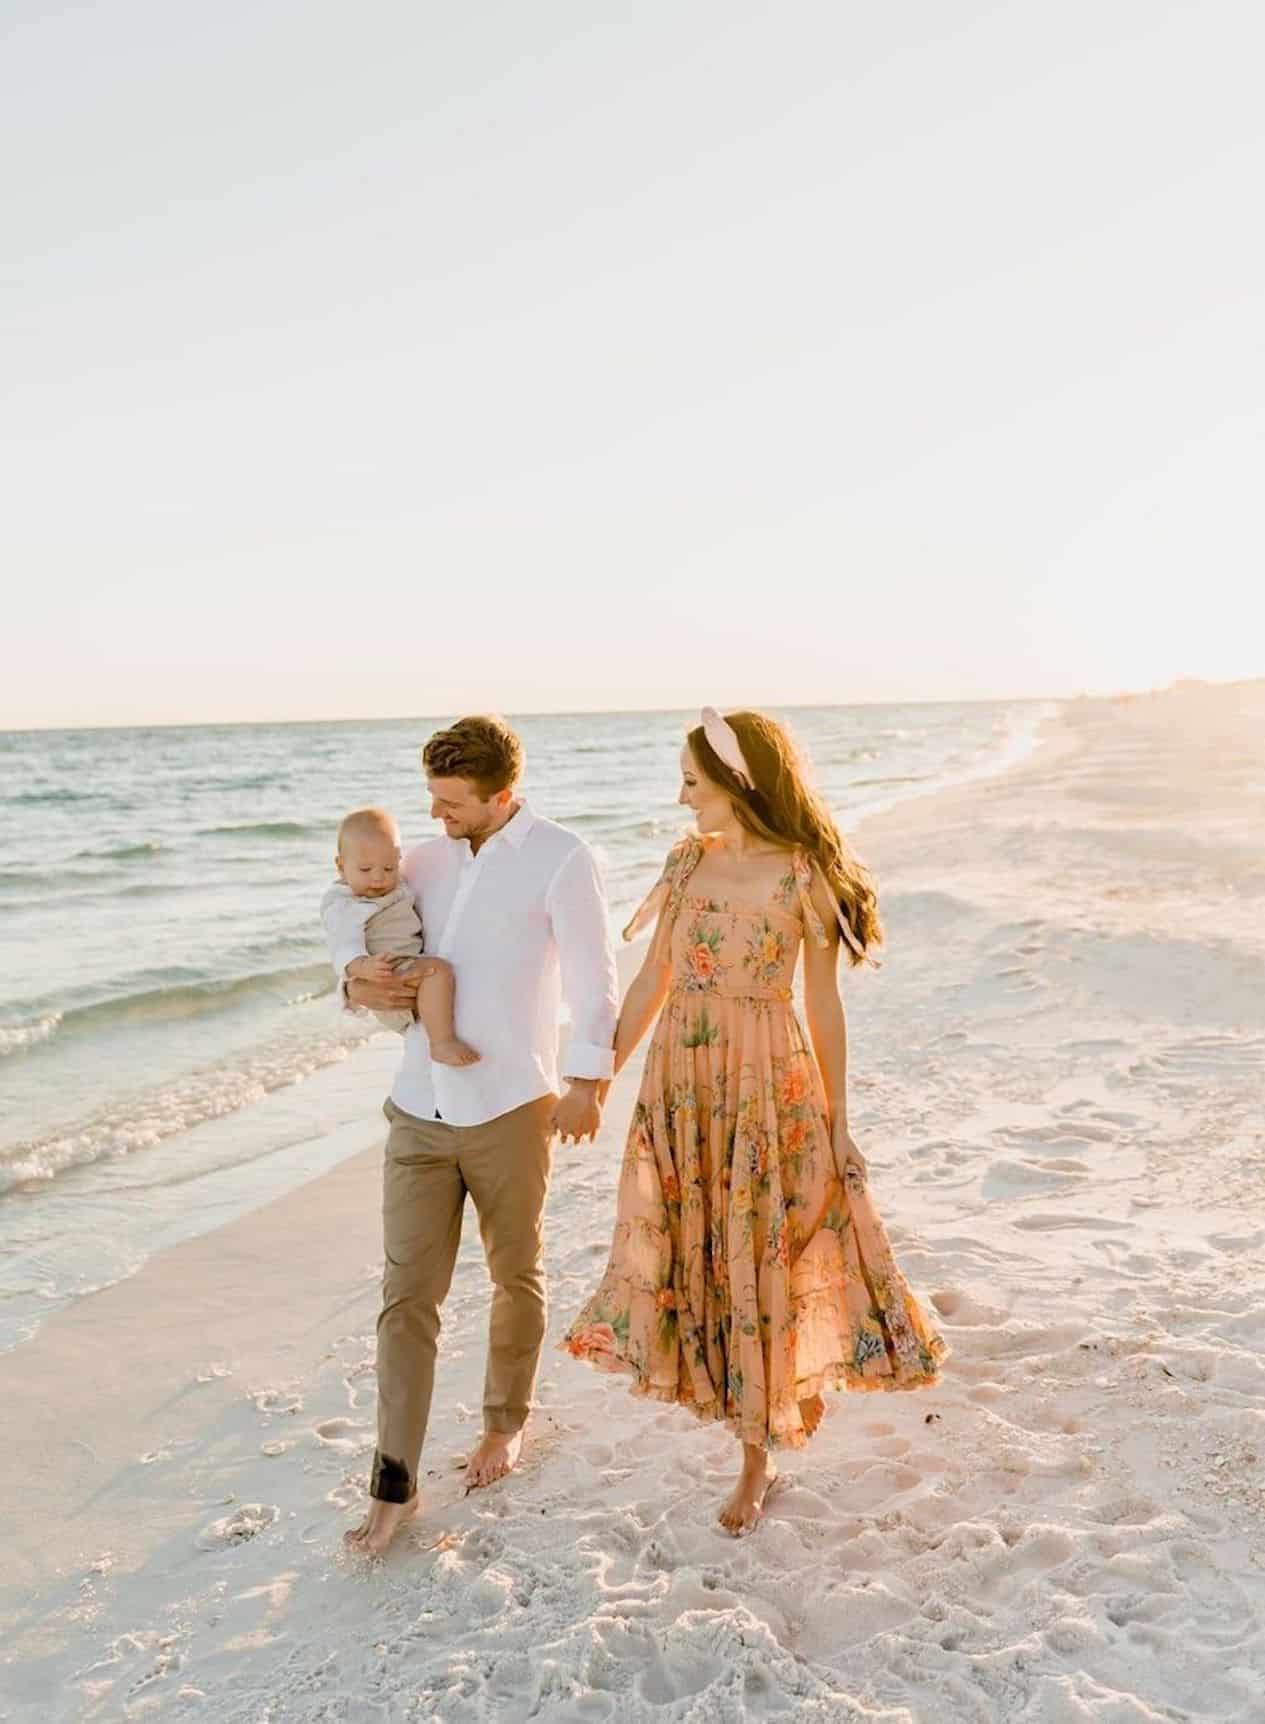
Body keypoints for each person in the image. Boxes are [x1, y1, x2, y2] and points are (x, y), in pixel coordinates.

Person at [563, 707, 947, 1536]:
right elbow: (649, 984)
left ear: (736, 784)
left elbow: (823, 1003)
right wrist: (595, 1080)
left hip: (765, 1083)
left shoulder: (801, 873)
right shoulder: (685, 863)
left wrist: (839, 1122)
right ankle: (754, 1408)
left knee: (757, 1250)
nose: (678, 796)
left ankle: (755, 1453)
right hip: (682, 1078)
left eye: (692, 781)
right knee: (701, 1249)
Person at [339, 716, 618, 1556]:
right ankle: (395, 1482)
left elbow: (595, 977)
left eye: (453, 802)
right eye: (431, 798)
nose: (437, 816)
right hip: (417, 1109)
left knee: (513, 1275)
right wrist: (350, 980)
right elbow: (362, 932)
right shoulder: (419, 859)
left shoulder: (561, 857)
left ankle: (504, 1425)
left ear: (502, 795)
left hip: (509, 1107)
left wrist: (586, 1082)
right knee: (405, 1301)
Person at [320, 805, 477, 1064]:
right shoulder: (344, 904)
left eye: (389, 868)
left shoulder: (401, 883)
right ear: (340, 866)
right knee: (438, 972)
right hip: (387, 974)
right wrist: (362, 968)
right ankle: (442, 1042)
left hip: (405, 968)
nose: (379, 878)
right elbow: (343, 945)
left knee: (435, 975)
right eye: (366, 870)